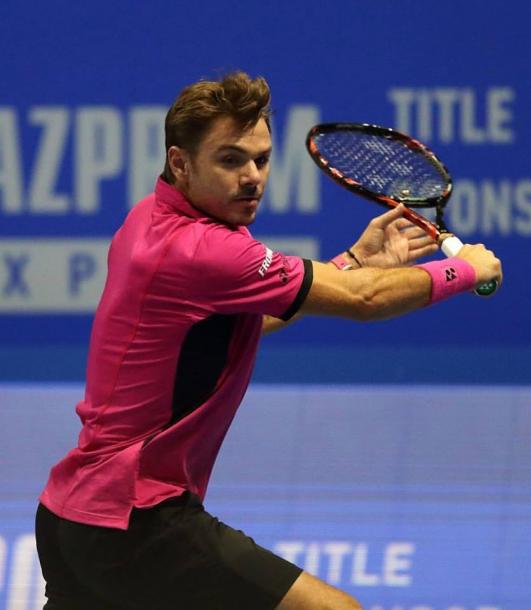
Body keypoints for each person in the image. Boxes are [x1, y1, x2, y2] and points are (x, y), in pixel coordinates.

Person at [35, 71, 501, 610]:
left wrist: (351, 263)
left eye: (261, 159)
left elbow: (238, 322)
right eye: (231, 160)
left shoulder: (152, 217)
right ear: (180, 163)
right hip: (135, 519)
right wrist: (465, 271)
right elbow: (364, 300)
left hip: (73, 517)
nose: (253, 177)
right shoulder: (202, 250)